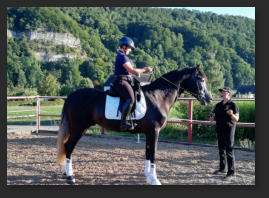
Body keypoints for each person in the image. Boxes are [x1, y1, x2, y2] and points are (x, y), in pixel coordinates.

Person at [113, 36, 153, 131]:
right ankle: (123, 123)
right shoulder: (122, 57)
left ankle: (132, 119)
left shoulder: (126, 57)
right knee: (130, 99)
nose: (130, 50)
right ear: (124, 47)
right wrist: (145, 69)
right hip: (121, 81)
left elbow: (132, 73)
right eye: (130, 48)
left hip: (127, 80)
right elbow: (132, 70)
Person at [210, 87, 239, 179]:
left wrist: (231, 114)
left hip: (229, 129)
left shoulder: (233, 105)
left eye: (223, 92)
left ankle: (231, 172)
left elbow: (236, 119)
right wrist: (211, 118)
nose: (221, 93)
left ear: (229, 93)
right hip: (219, 129)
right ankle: (222, 168)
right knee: (221, 149)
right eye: (221, 92)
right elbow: (213, 117)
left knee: (229, 150)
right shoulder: (218, 105)